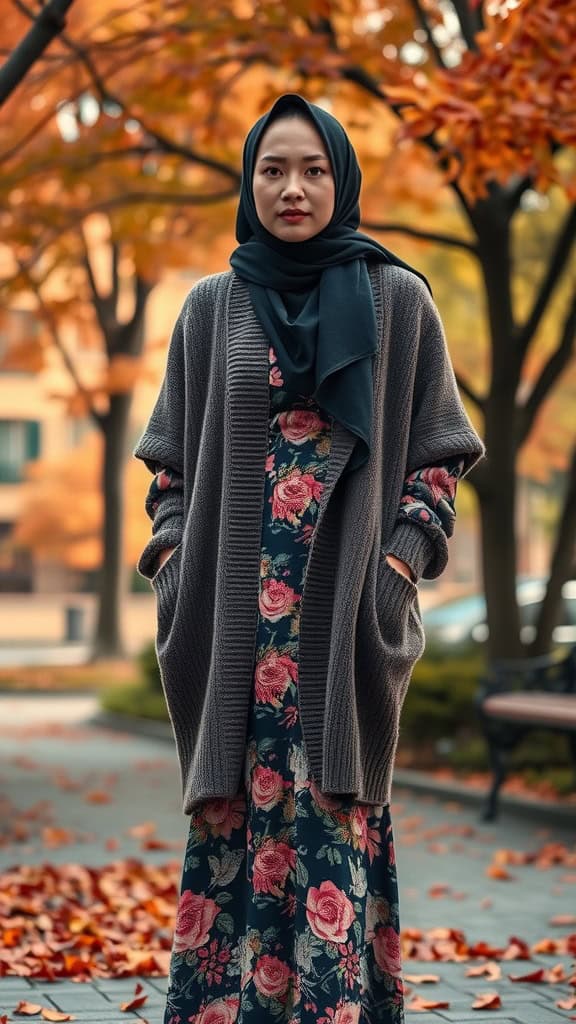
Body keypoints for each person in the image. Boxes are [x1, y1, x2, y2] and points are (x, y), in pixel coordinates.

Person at [134, 93, 485, 1024]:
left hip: (341, 627)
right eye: (273, 170)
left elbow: (441, 453)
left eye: (313, 169)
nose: (293, 188)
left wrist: (400, 566)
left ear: (342, 177)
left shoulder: (397, 299)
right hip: (232, 628)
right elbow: (166, 464)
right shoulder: (212, 308)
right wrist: (172, 561)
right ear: (250, 184)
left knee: (332, 823)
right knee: (233, 823)